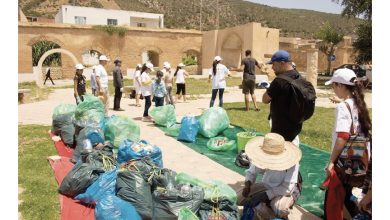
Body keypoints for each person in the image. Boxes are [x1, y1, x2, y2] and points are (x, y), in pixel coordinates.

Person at [324, 68, 372, 218]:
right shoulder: (358, 102)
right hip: (361, 158)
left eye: (334, 85)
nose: (333, 88)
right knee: (347, 194)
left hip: (345, 161)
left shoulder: (343, 107)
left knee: (336, 197)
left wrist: (331, 161)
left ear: (340, 86)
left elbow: (343, 136)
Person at [237, 133, 302, 219]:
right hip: (267, 185)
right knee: (239, 198)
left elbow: (287, 188)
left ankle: (279, 213)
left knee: (279, 208)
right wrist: (247, 185)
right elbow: (251, 172)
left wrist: (266, 195)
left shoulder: (292, 161)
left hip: (286, 191)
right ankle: (266, 206)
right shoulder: (260, 154)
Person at [262, 50, 302, 144]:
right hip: (295, 127)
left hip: (280, 128)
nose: (272, 67)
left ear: (282, 63)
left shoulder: (279, 81)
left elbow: (265, 99)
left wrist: (268, 88)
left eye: (274, 64)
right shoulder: (299, 77)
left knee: (278, 154)